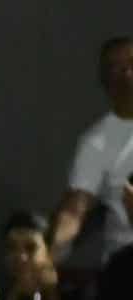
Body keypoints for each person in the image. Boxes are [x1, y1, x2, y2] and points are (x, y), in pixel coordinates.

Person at [50, 36, 133, 263]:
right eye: (117, 69)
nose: (127, 75)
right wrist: (50, 253)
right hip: (125, 264)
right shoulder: (96, 143)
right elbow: (74, 210)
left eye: (132, 64)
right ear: (104, 81)